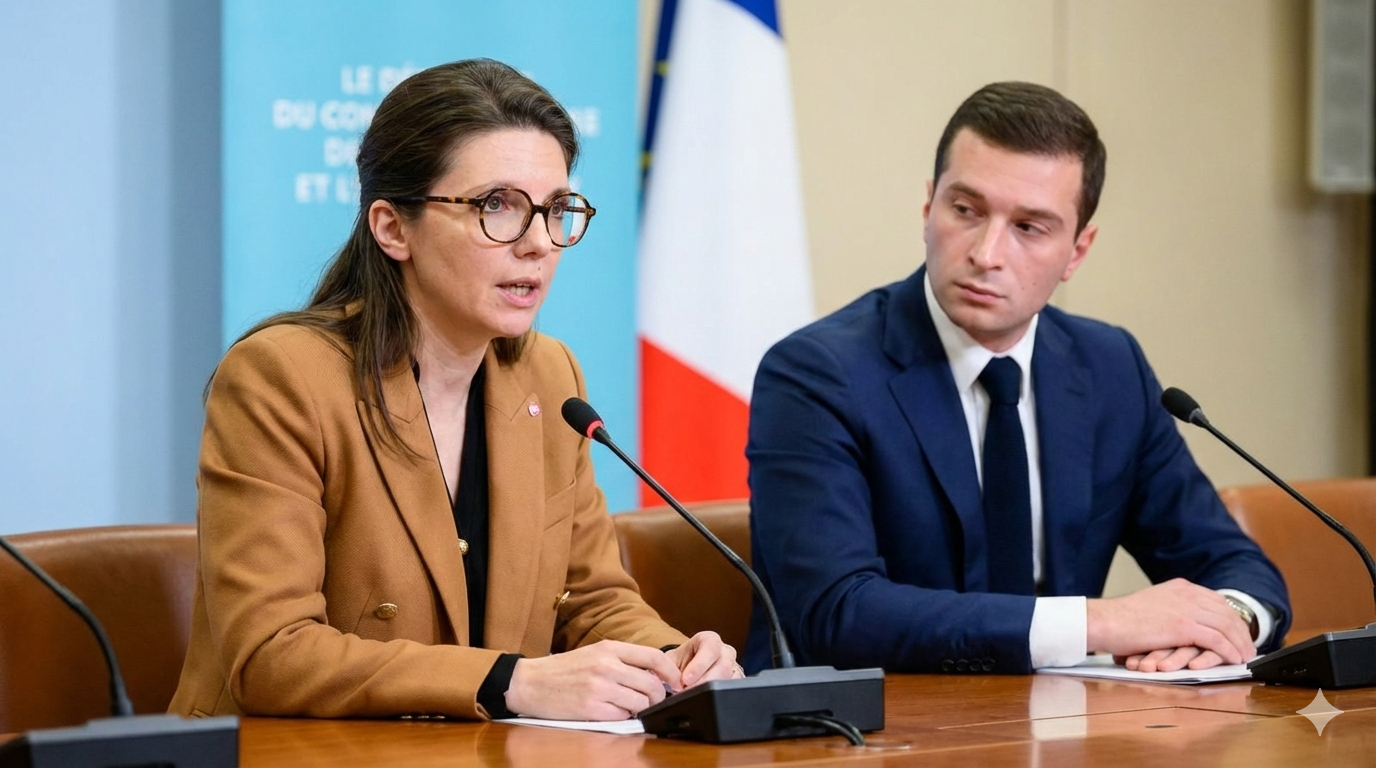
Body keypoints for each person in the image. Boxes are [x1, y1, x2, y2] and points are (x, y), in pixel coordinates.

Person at [170, 59, 738, 722]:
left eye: (556, 210)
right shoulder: (281, 378)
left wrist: (672, 661)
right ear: (392, 227)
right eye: (497, 205)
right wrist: (510, 682)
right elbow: (272, 653)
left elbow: (591, 601)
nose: (538, 244)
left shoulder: (550, 377)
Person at [743, 82, 1291, 677]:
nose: (986, 253)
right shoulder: (818, 374)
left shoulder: (1108, 367)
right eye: (966, 210)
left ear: (1077, 251)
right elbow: (837, 614)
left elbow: (1230, 562)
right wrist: (1097, 624)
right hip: (867, 722)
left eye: (1029, 227)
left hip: (1065, 718)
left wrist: (1226, 623)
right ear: (928, 208)